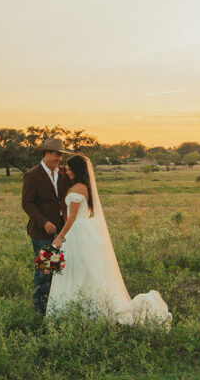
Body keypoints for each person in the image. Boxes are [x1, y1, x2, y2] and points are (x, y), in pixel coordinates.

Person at [46, 154, 172, 328]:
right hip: (83, 232)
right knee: (84, 271)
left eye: (68, 168)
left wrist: (59, 237)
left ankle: (79, 309)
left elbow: (72, 218)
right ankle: (84, 308)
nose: (66, 171)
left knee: (79, 271)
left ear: (76, 170)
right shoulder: (84, 187)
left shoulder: (77, 188)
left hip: (78, 232)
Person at [21, 137, 71, 315]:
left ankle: (57, 308)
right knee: (45, 272)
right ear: (47, 153)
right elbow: (27, 203)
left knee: (62, 270)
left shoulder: (65, 172)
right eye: (57, 155)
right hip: (42, 232)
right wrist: (44, 221)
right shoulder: (32, 175)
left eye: (61, 155)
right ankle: (41, 312)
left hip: (63, 229)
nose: (59, 158)